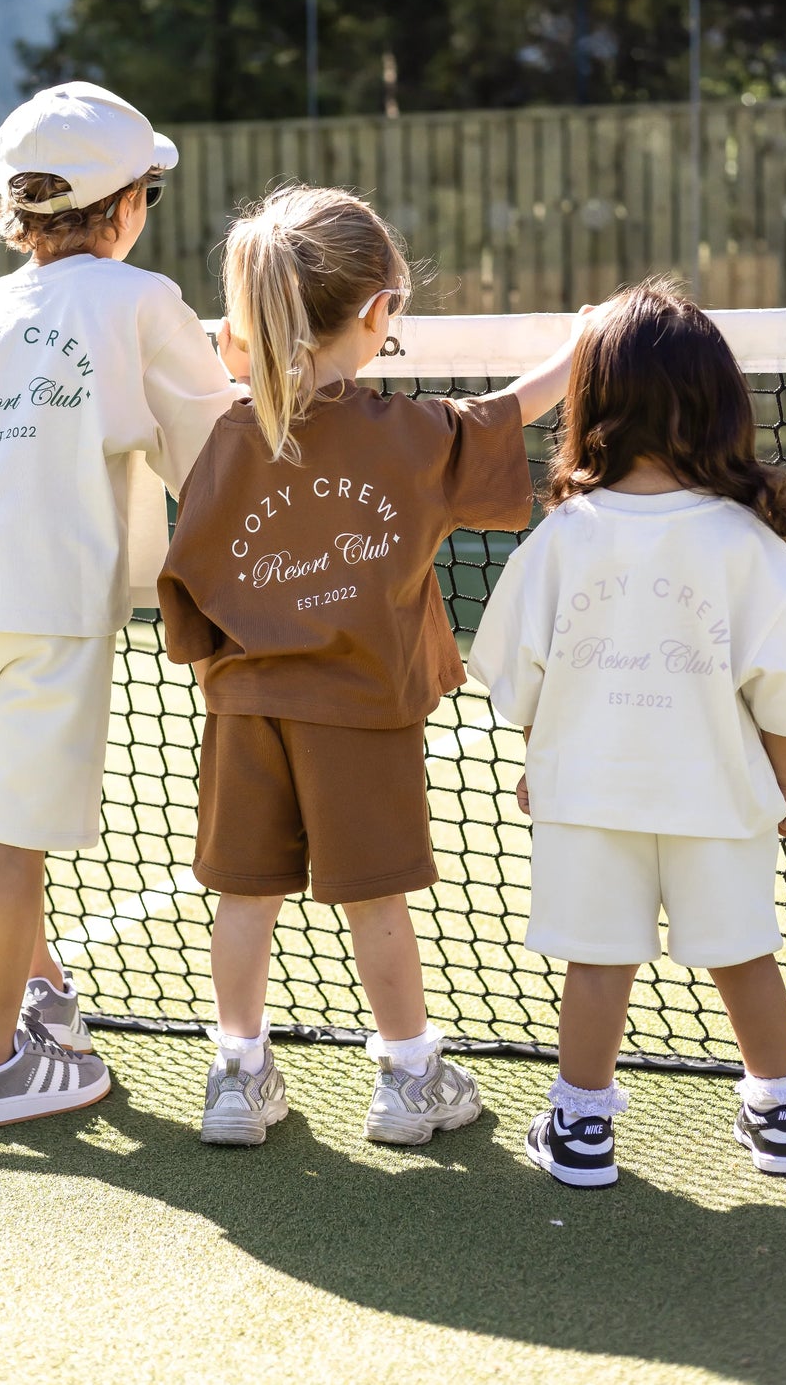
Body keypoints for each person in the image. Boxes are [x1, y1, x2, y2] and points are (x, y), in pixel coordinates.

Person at [157, 183, 586, 1147]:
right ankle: (408, 1075)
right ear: (378, 312)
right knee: (377, 901)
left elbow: (184, 585)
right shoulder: (410, 434)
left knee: (243, 897)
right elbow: (510, 410)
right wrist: (583, 342)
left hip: (243, 714)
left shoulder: (230, 435)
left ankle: (237, 1076)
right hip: (362, 712)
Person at [0, 81, 239, 1130]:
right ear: (124, 206)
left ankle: (38, 992)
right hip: (49, 599)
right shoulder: (141, 301)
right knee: (17, 843)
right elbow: (221, 457)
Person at [468, 279, 786, 1188]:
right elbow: (784, 686)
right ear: (716, 406)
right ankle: (780, 1111)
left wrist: (541, 760)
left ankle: (582, 1128)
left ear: (594, 403)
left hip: (590, 796)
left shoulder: (560, 537)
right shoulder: (751, 543)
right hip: (721, 795)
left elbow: (522, 671)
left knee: (599, 961)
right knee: (745, 953)